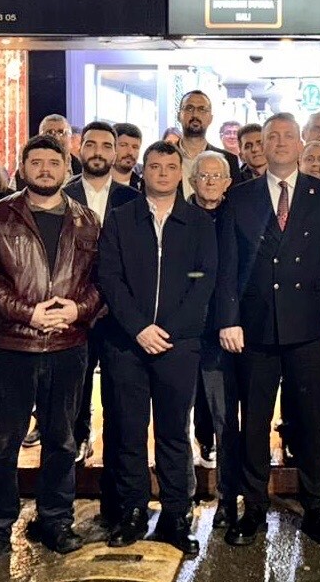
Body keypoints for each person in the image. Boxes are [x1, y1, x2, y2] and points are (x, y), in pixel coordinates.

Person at [0, 135, 102, 569]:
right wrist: (28, 313)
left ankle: (55, 520)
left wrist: (77, 311)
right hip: (12, 346)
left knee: (62, 441)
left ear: (67, 168)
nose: (45, 169)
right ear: (22, 167)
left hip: (68, 345)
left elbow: (102, 280)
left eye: (53, 162)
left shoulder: (87, 220)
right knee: (1, 443)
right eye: (36, 161)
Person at [217, 114, 320, 547]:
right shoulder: (240, 197)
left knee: (311, 420)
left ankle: (316, 503)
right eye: (273, 136)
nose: (282, 142)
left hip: (309, 327)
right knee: (254, 421)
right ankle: (253, 505)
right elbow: (228, 263)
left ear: (300, 142)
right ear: (261, 146)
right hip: (255, 328)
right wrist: (229, 318)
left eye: (289, 135)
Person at [98, 141, 217, 555]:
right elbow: (110, 278)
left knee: (173, 433)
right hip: (127, 345)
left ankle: (175, 515)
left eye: (170, 167)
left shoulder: (198, 222)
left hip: (178, 345)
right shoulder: (121, 218)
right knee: (128, 432)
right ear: (142, 171)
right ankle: (132, 511)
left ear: (181, 173)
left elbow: (204, 282)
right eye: (154, 166)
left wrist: (167, 330)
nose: (162, 173)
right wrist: (138, 329)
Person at [63, 122, 140, 466]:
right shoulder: (63, 195)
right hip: (73, 309)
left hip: (118, 311)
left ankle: (118, 457)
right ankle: (79, 437)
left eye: (106, 145)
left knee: (118, 390)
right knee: (75, 384)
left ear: (115, 151)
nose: (98, 152)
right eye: (91, 144)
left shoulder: (132, 199)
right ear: (79, 149)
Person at [184, 151, 239, 523]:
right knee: (177, 421)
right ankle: (181, 500)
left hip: (222, 333)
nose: (210, 182)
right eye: (203, 176)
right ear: (192, 181)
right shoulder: (176, 216)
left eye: (217, 176)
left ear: (228, 182)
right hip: (183, 333)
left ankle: (228, 498)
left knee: (225, 421)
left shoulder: (237, 217)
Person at [176, 92, 240, 194]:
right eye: (189, 108)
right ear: (179, 116)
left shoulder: (228, 160)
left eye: (202, 109)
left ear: (210, 118)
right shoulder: (165, 158)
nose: (195, 114)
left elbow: (234, 201)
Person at [111, 123, 144, 191]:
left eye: (135, 147)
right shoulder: (96, 182)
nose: (130, 152)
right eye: (123, 145)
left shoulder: (145, 187)